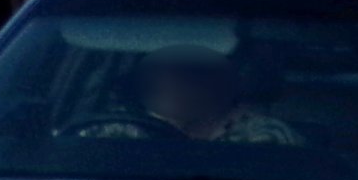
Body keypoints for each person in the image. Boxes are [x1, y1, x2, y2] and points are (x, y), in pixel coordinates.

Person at [92, 44, 303, 145]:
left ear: (223, 79)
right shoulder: (118, 129)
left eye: (189, 71)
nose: (170, 82)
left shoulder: (266, 137)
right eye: (157, 69)